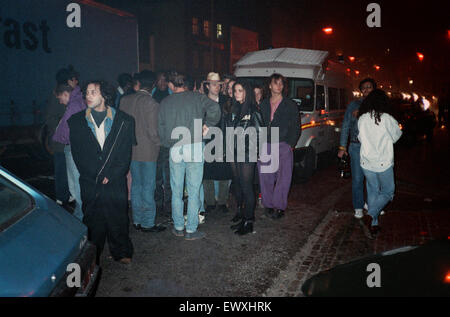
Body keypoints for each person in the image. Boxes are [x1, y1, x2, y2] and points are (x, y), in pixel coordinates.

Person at [68, 80, 135, 264]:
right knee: (93, 218)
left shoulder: (124, 121)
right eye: (87, 92)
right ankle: (93, 255)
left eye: (93, 92)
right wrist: (96, 175)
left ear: (104, 95)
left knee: (118, 216)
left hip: (115, 180)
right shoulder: (76, 122)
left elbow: (125, 155)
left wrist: (111, 175)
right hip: (90, 180)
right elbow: (78, 155)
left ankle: (121, 251)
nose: (88, 96)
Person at [158, 71, 220, 240]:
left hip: (175, 147)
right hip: (194, 144)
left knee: (176, 190)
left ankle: (178, 226)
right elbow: (215, 108)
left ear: (171, 85)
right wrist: (207, 125)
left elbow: (161, 128)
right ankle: (191, 230)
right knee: (193, 189)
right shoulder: (196, 97)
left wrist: (167, 142)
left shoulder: (165, 102)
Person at [120, 70, 166, 233]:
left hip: (130, 150)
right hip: (148, 152)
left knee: (136, 186)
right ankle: (147, 223)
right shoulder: (152, 104)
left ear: (138, 84)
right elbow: (154, 132)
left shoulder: (124, 100)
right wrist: (161, 144)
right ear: (153, 85)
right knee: (148, 186)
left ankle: (137, 220)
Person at [357, 89, 402, 236]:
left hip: (366, 161)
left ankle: (374, 224)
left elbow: (360, 138)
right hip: (383, 161)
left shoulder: (362, 118)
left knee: (373, 191)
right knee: (388, 192)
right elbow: (396, 136)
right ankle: (370, 216)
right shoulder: (387, 118)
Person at [258, 73, 300, 219]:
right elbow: (259, 125)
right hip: (266, 143)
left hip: (283, 144)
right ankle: (268, 204)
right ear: (270, 85)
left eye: (281, 83)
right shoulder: (263, 104)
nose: (279, 86)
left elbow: (296, 126)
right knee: (266, 177)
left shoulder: (290, 104)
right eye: (276, 83)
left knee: (284, 177)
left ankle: (280, 206)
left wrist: (290, 144)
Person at [227, 80, 264, 235]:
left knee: (247, 187)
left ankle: (249, 221)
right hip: (235, 152)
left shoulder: (253, 111)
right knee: (240, 186)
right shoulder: (235, 109)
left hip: (247, 154)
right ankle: (243, 217)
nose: (236, 93)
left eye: (240, 90)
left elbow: (260, 135)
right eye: (235, 90)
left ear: (246, 92)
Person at [338, 78, 376, 219]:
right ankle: (358, 206)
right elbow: (346, 126)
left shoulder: (378, 105)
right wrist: (342, 147)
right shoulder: (353, 105)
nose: (366, 90)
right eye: (364, 87)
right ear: (360, 90)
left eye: (369, 87)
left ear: (374, 89)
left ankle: (371, 204)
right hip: (356, 146)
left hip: (373, 147)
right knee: (358, 178)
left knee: (372, 178)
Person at [52, 66, 85, 221]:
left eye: (61, 98)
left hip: (73, 147)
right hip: (75, 147)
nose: (61, 102)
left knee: (76, 184)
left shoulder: (73, 105)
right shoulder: (76, 102)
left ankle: (81, 215)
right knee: (75, 184)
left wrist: (60, 138)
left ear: (66, 93)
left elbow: (66, 129)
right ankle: (80, 213)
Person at [202, 72, 232, 214]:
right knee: (207, 172)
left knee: (224, 172)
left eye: (219, 85)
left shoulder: (226, 100)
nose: (217, 87)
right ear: (207, 86)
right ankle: (210, 202)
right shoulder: (202, 102)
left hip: (223, 139)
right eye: (213, 85)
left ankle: (222, 202)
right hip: (207, 140)